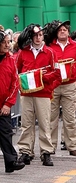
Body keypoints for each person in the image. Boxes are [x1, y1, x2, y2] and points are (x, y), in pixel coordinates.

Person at [16, 24, 62, 166]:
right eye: (35, 35)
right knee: (26, 123)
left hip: (43, 93)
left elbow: (57, 73)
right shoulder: (23, 52)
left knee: (44, 123)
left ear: (43, 36)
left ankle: (46, 152)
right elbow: (16, 71)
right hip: (27, 93)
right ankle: (25, 151)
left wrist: (43, 78)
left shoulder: (50, 53)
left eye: (40, 35)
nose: (38, 37)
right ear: (31, 36)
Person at [48, 20, 76, 156]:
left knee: (70, 117)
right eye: (60, 30)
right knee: (51, 117)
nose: (62, 31)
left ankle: (72, 146)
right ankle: (50, 146)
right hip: (53, 85)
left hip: (70, 85)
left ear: (68, 31)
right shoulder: (49, 47)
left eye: (65, 29)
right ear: (56, 33)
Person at [0, 30, 25, 173]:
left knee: (6, 132)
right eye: (4, 42)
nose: (8, 45)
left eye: (8, 42)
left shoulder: (10, 59)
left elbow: (15, 84)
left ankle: (11, 161)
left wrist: (8, 104)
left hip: (4, 106)